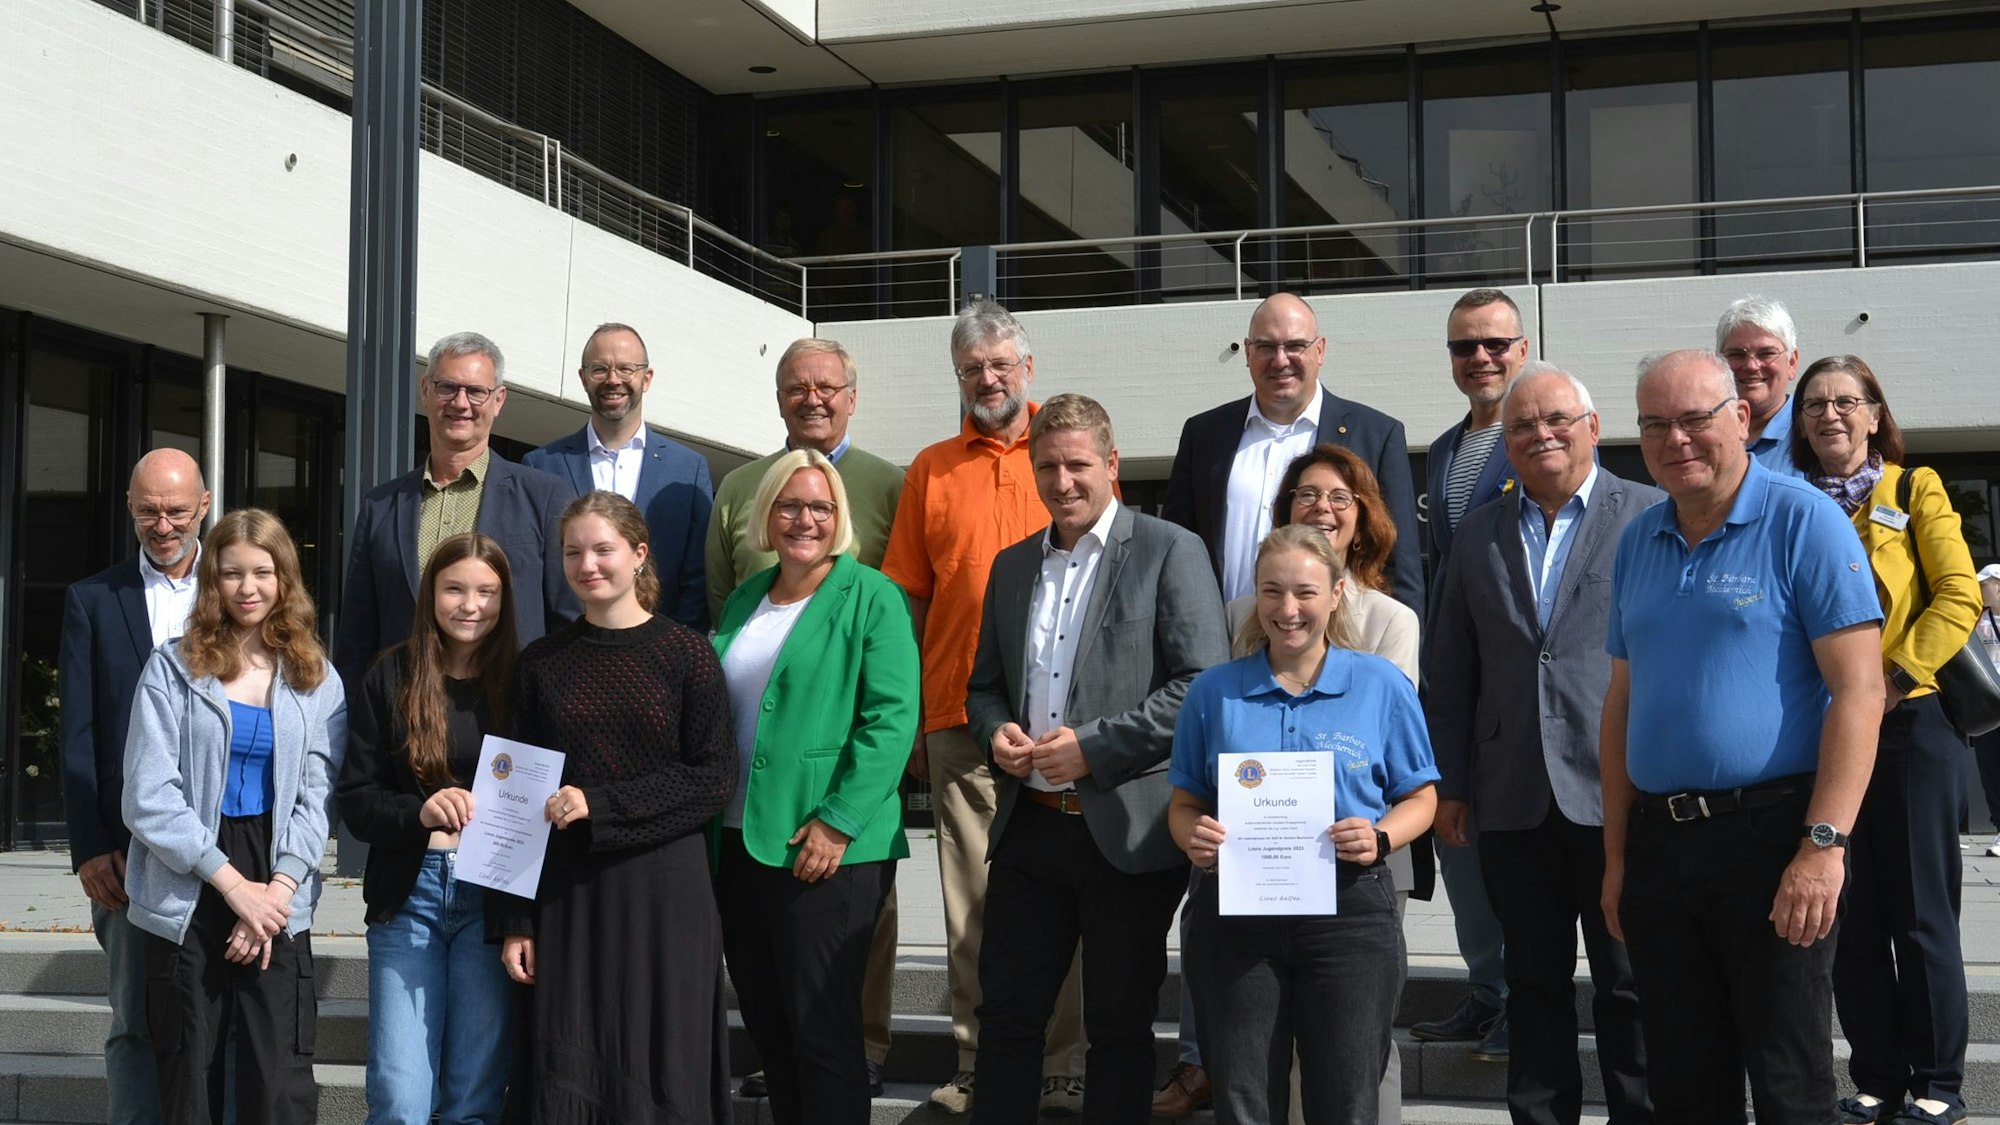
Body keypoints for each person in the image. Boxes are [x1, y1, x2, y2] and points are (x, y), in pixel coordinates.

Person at [1602, 349, 1884, 1124]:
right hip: (1660, 846)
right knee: (1684, 1087)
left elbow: (1861, 691)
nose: (1676, 439)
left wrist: (1823, 847)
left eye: (1695, 419)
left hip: (1773, 841)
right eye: (1655, 424)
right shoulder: (1638, 540)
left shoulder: (1805, 521)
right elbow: (1621, 705)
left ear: (1742, 417)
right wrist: (1618, 858)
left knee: (1790, 1083)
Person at [964, 394, 1230, 1124]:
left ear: (1111, 465)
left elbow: (1201, 685)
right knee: (1007, 1015)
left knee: (1118, 1023)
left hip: (1127, 831)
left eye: (1078, 465)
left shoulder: (1170, 549)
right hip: (1030, 827)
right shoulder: (1013, 565)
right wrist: (994, 732)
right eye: (1047, 467)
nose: (1063, 482)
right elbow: (984, 686)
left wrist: (1094, 746)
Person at [1159, 441, 1426, 1123]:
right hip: (1235, 915)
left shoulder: (1380, 684)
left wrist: (1381, 835)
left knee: (1347, 1099)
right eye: (1273, 591)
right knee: (1245, 1100)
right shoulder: (1214, 691)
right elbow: (1184, 802)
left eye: (1306, 592)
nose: (1288, 609)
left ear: (1335, 593)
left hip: (1349, 913)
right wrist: (1194, 837)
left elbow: (1422, 795)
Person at [1425, 367, 1658, 1125]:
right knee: (1531, 982)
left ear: (1593, 427)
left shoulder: (1650, 515)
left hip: (1621, 789)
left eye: (1557, 418)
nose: (1540, 434)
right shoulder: (1477, 533)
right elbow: (1451, 668)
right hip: (1512, 793)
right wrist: (1451, 784)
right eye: (1522, 425)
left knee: (1630, 981)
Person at [879, 300, 1086, 1116]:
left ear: (1027, 368)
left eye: (1001, 365)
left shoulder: (1061, 457)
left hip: (1060, 724)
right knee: (970, 904)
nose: (988, 379)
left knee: (1063, 899)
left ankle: (1063, 1064)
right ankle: (976, 1060)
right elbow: (910, 600)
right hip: (958, 720)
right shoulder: (930, 470)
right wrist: (913, 718)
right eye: (972, 369)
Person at [490, 491, 736, 1124]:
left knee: (665, 1060)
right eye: (573, 552)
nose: (587, 565)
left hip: (667, 893)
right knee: (571, 1058)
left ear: (639, 554)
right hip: (569, 892)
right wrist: (515, 919)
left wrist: (600, 804)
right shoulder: (540, 663)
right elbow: (512, 801)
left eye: (603, 549)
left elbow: (713, 780)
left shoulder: (687, 654)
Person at [705, 338, 906, 1099]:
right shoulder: (742, 600)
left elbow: (891, 718)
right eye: (789, 506)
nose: (804, 519)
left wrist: (838, 821)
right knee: (772, 1030)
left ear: (840, 517)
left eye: (821, 507)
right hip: (739, 841)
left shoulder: (872, 596)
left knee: (824, 1039)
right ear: (767, 514)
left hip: (825, 845)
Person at [1788, 355, 1980, 1125]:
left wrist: (1892, 680)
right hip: (1826, 727)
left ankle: (1938, 1081)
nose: (1830, 413)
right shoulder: (1790, 502)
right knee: (1851, 911)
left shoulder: (1913, 488)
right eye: (1814, 404)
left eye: (1846, 401)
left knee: (1920, 913)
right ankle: (1875, 1075)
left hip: (1909, 723)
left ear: (1874, 415)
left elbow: (1959, 594)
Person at [121, 508, 347, 1125]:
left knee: (278, 1083)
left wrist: (275, 892)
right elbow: (147, 794)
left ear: (285, 578)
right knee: (190, 1079)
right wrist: (233, 888)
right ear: (212, 581)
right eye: (231, 573)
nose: (248, 588)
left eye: (262, 572)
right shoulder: (172, 667)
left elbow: (318, 796)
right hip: (189, 879)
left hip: (278, 879)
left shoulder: (316, 678)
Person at [336, 533, 523, 1125]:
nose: (471, 605)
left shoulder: (523, 681)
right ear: (429, 594)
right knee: (401, 1096)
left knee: (474, 1099)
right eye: (454, 589)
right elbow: (356, 800)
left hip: (492, 899)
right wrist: (417, 813)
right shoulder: (392, 675)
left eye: (487, 592)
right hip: (409, 895)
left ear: (505, 599)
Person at [59, 448, 211, 1125]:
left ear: (203, 505)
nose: (163, 525)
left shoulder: (240, 588)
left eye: (176, 510)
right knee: (134, 1021)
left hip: (228, 842)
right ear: (129, 507)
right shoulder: (94, 599)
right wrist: (90, 848)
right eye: (148, 511)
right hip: (126, 854)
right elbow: (79, 733)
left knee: (221, 1017)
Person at [1412, 290, 1531, 1061]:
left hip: (1519, 686)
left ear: (1522, 348)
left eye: (1494, 343)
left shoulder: (1541, 433)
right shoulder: (1443, 450)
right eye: (1464, 346)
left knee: (1518, 856)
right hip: (1454, 686)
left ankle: (1525, 996)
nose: (1480, 358)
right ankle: (1487, 989)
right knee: (1458, 845)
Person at [337, 331, 579, 698]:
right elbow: (357, 637)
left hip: (510, 710)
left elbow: (568, 623)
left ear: (498, 400)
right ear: (426, 391)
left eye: (476, 391)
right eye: (448, 387)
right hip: (404, 710)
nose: (461, 403)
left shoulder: (544, 497)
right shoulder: (380, 506)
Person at [1162, 291, 1423, 617]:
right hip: (1224, 639)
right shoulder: (1203, 435)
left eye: (1295, 345)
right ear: (1248, 352)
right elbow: (1177, 555)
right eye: (1266, 347)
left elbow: (1399, 565)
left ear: (1320, 350)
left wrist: (1402, 645)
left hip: (1340, 641)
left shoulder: (1376, 435)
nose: (1280, 360)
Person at [524, 322, 713, 629]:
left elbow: (698, 580)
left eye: (626, 369)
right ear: (583, 378)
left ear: (646, 378)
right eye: (600, 369)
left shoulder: (688, 470)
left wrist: (671, 646)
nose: (613, 380)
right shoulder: (541, 466)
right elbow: (534, 576)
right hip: (567, 648)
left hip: (662, 648)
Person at [1717, 295, 1806, 476]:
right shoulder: (1698, 433)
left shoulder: (1812, 434)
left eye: (1766, 353)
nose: (1751, 366)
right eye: (1737, 354)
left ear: (1792, 362)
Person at [1971, 564, 2000, 857]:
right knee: (1990, 768)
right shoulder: (1976, 619)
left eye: (1984, 585)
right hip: (1989, 704)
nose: (1980, 590)